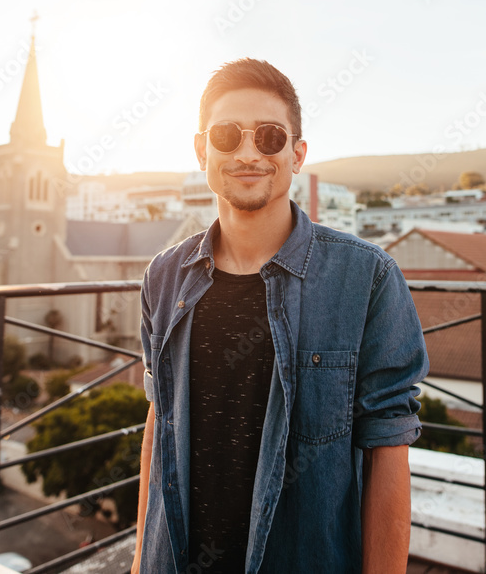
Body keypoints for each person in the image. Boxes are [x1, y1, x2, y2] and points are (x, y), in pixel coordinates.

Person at [132, 59, 429, 574]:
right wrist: (140, 561)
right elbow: (159, 420)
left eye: (269, 137)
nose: (248, 152)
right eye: (227, 135)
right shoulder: (164, 276)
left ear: (297, 154)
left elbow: (388, 446)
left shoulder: (367, 278)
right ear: (202, 149)